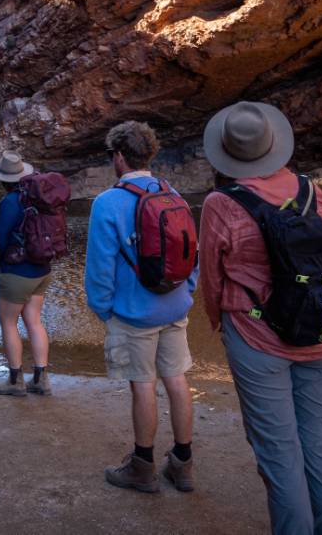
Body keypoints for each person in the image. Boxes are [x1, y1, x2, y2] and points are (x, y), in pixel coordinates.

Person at [199, 101, 322, 534]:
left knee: (280, 455)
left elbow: (211, 277)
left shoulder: (221, 204)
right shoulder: (314, 193)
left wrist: (219, 325)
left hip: (256, 336)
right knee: (319, 446)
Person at [85, 121, 198, 493]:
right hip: (175, 308)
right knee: (177, 380)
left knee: (143, 385)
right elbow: (191, 254)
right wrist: (187, 293)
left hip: (134, 314)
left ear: (119, 157)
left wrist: (105, 311)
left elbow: (100, 268)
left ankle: (143, 466)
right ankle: (182, 464)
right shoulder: (173, 192)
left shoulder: (107, 203)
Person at [0, 152, 53, 397]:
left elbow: (1, 238)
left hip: (17, 272)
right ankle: (41, 379)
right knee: (34, 322)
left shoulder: (10, 202)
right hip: (42, 269)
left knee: (8, 323)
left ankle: (15, 381)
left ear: (4, 180)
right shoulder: (39, 198)